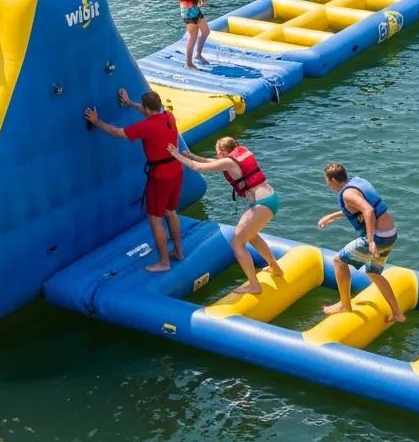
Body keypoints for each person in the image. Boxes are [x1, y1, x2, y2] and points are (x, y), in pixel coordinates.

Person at [84, 89, 185, 272]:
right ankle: (178, 252)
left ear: (146, 108)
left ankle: (164, 263)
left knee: (155, 219)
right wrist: (130, 103)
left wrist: (96, 121)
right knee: (170, 211)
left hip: (160, 176)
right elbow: (148, 112)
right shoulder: (169, 117)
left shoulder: (146, 127)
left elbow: (116, 132)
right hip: (177, 170)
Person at [167, 137, 283, 294]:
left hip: (262, 204)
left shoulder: (228, 162)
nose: (216, 156)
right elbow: (209, 161)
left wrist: (176, 155)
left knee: (237, 243)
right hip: (271, 197)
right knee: (251, 235)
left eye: (217, 153)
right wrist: (192, 156)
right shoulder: (236, 156)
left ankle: (254, 286)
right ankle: (275, 267)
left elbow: (198, 168)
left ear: (222, 153)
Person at [318, 163, 406, 324]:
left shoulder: (347, 194)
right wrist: (331, 217)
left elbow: (368, 211)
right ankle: (397, 313)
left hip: (378, 237)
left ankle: (345, 305)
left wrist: (371, 240)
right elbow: (357, 209)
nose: (328, 185)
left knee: (339, 261)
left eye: (327, 182)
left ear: (333, 179)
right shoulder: (357, 182)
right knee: (373, 272)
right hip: (390, 234)